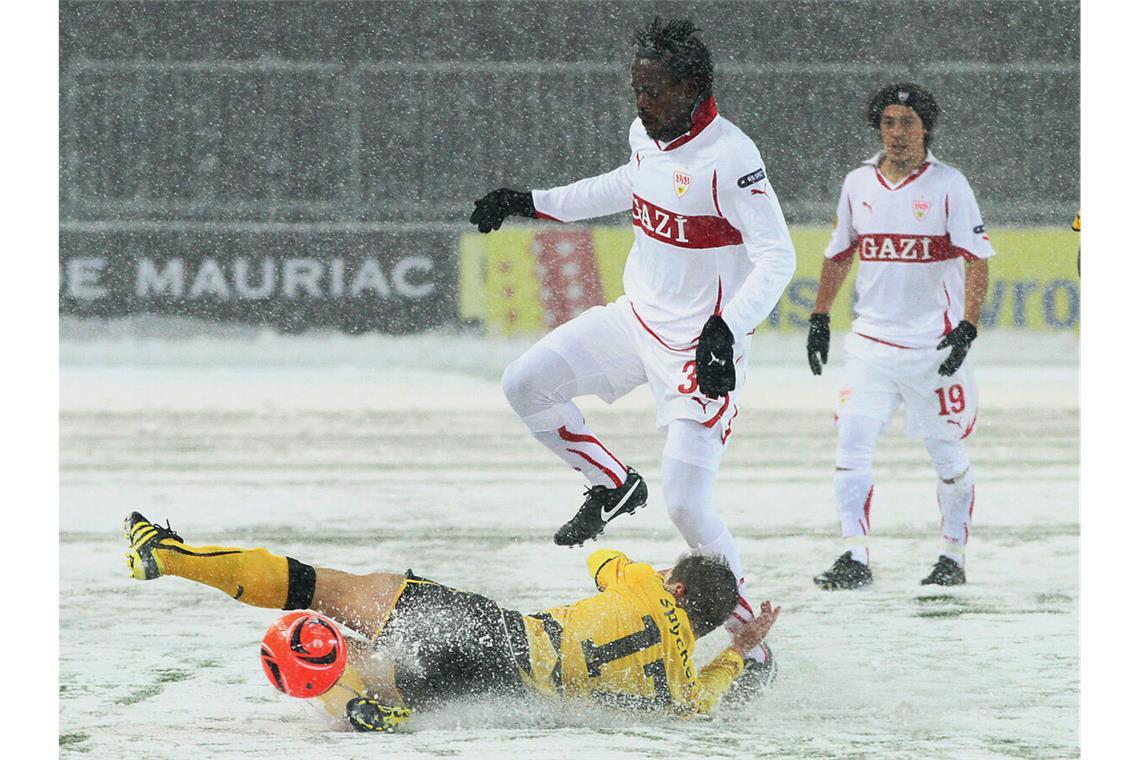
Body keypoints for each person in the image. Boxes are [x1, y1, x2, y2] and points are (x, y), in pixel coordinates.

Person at [469, 17, 795, 686]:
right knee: (525, 383)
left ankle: (751, 642)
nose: (640, 102)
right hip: (636, 320)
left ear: (692, 89)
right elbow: (625, 186)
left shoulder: (731, 159)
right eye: (635, 87)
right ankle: (613, 482)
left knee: (687, 506)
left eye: (653, 90)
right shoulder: (646, 137)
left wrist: (725, 331)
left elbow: (777, 256)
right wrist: (530, 201)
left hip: (699, 352)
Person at [124, 512, 781, 731]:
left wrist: (638, 572)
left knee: (322, 589)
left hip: (492, 632)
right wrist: (737, 651)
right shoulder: (677, 683)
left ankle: (173, 556)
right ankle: (364, 701)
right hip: (503, 687)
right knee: (377, 672)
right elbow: (703, 698)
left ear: (675, 583)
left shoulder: (642, 580)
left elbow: (603, 560)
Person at [806, 83, 995, 589]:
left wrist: (967, 327)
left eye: (907, 122)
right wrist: (820, 316)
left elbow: (977, 260)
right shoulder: (858, 184)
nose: (896, 133)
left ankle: (951, 557)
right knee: (851, 443)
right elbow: (839, 252)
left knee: (948, 455)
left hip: (933, 350)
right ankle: (855, 557)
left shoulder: (950, 186)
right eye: (888, 122)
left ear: (926, 127)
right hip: (871, 346)